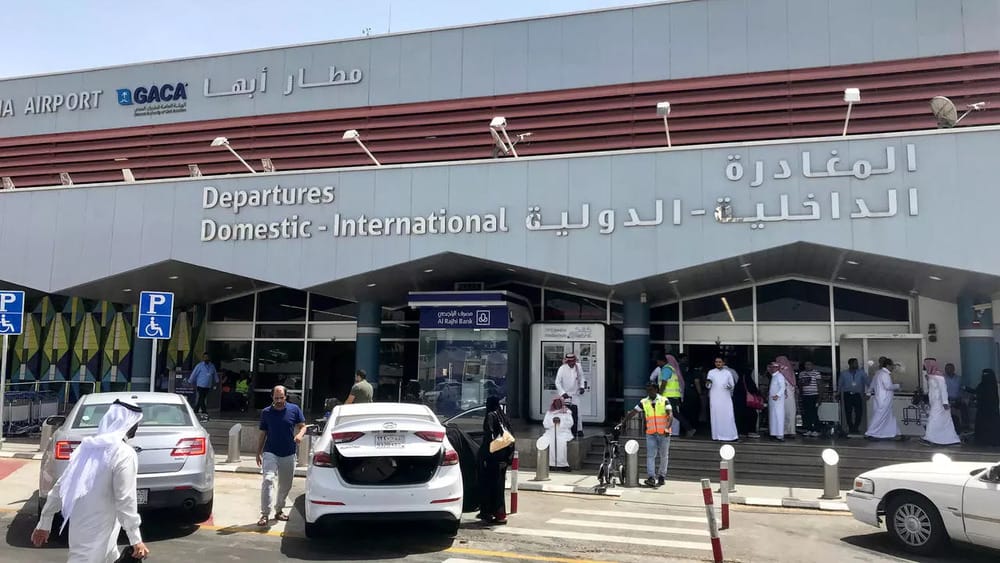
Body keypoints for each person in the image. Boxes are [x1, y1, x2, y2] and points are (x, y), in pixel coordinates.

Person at [33, 399, 150, 562]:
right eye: (136, 423)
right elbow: (125, 499)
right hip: (96, 533)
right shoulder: (124, 454)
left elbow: (61, 487)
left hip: (83, 527)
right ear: (129, 424)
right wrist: (135, 539)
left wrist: (45, 522)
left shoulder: (87, 448)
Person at [256, 385, 306, 527]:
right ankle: (265, 513)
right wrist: (258, 452)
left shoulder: (294, 409)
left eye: (281, 398)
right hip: (270, 451)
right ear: (272, 397)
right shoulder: (266, 412)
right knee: (268, 479)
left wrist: (300, 435)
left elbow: (303, 426)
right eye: (276, 398)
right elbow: (262, 434)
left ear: (286, 396)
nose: (279, 400)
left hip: (289, 452)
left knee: (285, 484)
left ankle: (279, 510)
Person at [621, 382, 672, 487]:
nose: (649, 392)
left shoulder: (664, 400)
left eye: (651, 390)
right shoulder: (644, 402)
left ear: (656, 390)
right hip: (651, 433)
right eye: (647, 390)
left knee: (663, 456)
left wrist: (667, 428)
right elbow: (633, 412)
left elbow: (670, 415)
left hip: (664, 433)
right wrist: (623, 422)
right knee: (650, 456)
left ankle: (662, 476)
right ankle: (651, 477)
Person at [478, 396, 514, 524]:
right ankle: (500, 514)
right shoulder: (503, 417)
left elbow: (489, 437)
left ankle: (488, 513)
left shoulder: (491, 416)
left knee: (489, 486)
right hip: (503, 459)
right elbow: (510, 437)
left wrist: (485, 455)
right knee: (499, 488)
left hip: (493, 458)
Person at [920, 358, 961, 446]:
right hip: (935, 402)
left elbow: (943, 390)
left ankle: (928, 438)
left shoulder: (939, 376)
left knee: (933, 419)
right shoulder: (931, 376)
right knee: (944, 423)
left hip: (940, 403)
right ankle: (951, 440)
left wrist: (945, 402)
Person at [654, 354, 693, 437]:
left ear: (662, 361)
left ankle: (689, 428)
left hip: (669, 396)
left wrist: (659, 395)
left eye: (658, 362)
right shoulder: (670, 369)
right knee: (671, 413)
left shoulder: (666, 369)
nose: (657, 363)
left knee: (673, 413)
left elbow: (664, 383)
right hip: (672, 396)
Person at [866, 357, 901, 440]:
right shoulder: (884, 374)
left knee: (889, 417)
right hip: (884, 400)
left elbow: (872, 384)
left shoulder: (878, 373)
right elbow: (888, 386)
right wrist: (898, 385)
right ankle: (871, 433)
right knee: (880, 417)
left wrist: (868, 392)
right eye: (892, 366)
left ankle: (894, 433)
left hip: (881, 399)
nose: (893, 368)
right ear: (888, 365)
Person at [706, 357, 738, 442]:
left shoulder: (727, 373)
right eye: (716, 362)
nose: (718, 363)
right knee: (716, 416)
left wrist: (728, 386)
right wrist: (708, 383)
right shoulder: (711, 372)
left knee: (728, 416)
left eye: (720, 362)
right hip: (715, 398)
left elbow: (732, 385)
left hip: (725, 398)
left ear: (723, 363)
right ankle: (717, 436)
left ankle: (730, 436)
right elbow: (708, 385)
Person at [554, 353, 586, 437]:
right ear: (567, 361)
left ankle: (579, 430)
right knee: (564, 413)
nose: (572, 363)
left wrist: (582, 387)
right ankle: (564, 430)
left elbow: (582, 377)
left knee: (578, 412)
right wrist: (562, 393)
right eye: (570, 361)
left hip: (575, 394)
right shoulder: (562, 369)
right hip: (565, 395)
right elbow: (557, 382)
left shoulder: (578, 367)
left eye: (573, 361)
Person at [542, 397, 574, 471]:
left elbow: (570, 423)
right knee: (550, 442)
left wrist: (560, 422)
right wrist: (552, 422)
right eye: (556, 402)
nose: (557, 404)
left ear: (561, 403)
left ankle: (563, 465)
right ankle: (552, 464)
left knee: (561, 443)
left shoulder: (567, 412)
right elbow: (545, 423)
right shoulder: (549, 412)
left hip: (563, 432)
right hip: (551, 431)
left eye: (559, 402)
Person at [838, 358, 868, 435]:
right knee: (848, 412)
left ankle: (856, 427)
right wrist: (837, 393)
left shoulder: (861, 373)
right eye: (855, 363)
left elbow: (867, 382)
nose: (857, 365)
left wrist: (869, 392)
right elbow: (840, 384)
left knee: (859, 412)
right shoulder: (844, 373)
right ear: (850, 364)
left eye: (857, 363)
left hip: (857, 394)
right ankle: (851, 428)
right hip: (847, 394)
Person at [973, 368, 1000, 447]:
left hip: (991, 410)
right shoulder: (982, 385)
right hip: (982, 409)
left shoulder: (995, 386)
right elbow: (977, 392)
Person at [733, 367, 761, 438]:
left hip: (740, 404)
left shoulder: (739, 382)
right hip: (749, 404)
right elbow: (754, 390)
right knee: (752, 416)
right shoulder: (749, 381)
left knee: (740, 417)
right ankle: (751, 431)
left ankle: (741, 432)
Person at [775, 356, 797, 438]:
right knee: (790, 413)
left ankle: (784, 431)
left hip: (784, 396)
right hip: (788, 395)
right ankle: (790, 431)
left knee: (783, 413)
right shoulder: (789, 371)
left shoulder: (781, 371)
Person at [798, 362, 822, 437]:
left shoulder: (816, 373)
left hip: (814, 395)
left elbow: (820, 385)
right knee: (806, 413)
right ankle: (809, 429)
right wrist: (800, 395)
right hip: (805, 396)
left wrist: (820, 397)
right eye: (806, 365)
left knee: (814, 413)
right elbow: (800, 385)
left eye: (809, 364)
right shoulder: (802, 374)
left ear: (812, 365)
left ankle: (816, 429)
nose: (807, 366)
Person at [766, 362, 786, 441]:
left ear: (777, 368)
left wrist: (777, 395)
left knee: (779, 416)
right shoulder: (774, 376)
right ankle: (774, 433)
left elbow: (782, 387)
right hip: (773, 400)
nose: (772, 368)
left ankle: (780, 435)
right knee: (773, 416)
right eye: (771, 367)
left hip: (778, 400)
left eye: (774, 367)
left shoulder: (780, 376)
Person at [944, 363, 967, 431]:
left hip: (957, 399)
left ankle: (965, 426)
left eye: (950, 368)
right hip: (947, 400)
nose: (948, 370)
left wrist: (961, 398)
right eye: (947, 369)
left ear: (953, 369)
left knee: (964, 406)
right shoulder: (943, 379)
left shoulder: (959, 379)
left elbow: (962, 389)